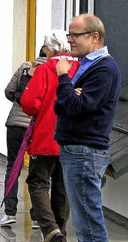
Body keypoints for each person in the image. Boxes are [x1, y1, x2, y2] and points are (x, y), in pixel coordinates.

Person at [54, 14, 122, 242]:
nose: (69, 40)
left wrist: (63, 77)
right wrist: (68, 95)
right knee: (84, 223)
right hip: (79, 152)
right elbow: (59, 105)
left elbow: (74, 107)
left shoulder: (104, 69)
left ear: (95, 37)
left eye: (75, 35)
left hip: (84, 153)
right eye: (69, 35)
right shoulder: (88, 66)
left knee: (89, 227)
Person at [20, 30, 80, 242]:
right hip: (72, 137)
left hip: (46, 136)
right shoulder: (80, 68)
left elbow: (29, 104)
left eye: (44, 48)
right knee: (62, 186)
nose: (43, 51)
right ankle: (61, 230)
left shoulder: (46, 69)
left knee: (38, 182)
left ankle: (50, 229)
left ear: (51, 48)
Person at [0, 54, 47, 228]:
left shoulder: (26, 67)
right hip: (38, 127)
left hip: (16, 125)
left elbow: (8, 91)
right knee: (38, 170)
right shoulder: (53, 71)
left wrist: (20, 102)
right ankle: (36, 216)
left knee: (12, 166)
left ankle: (9, 212)